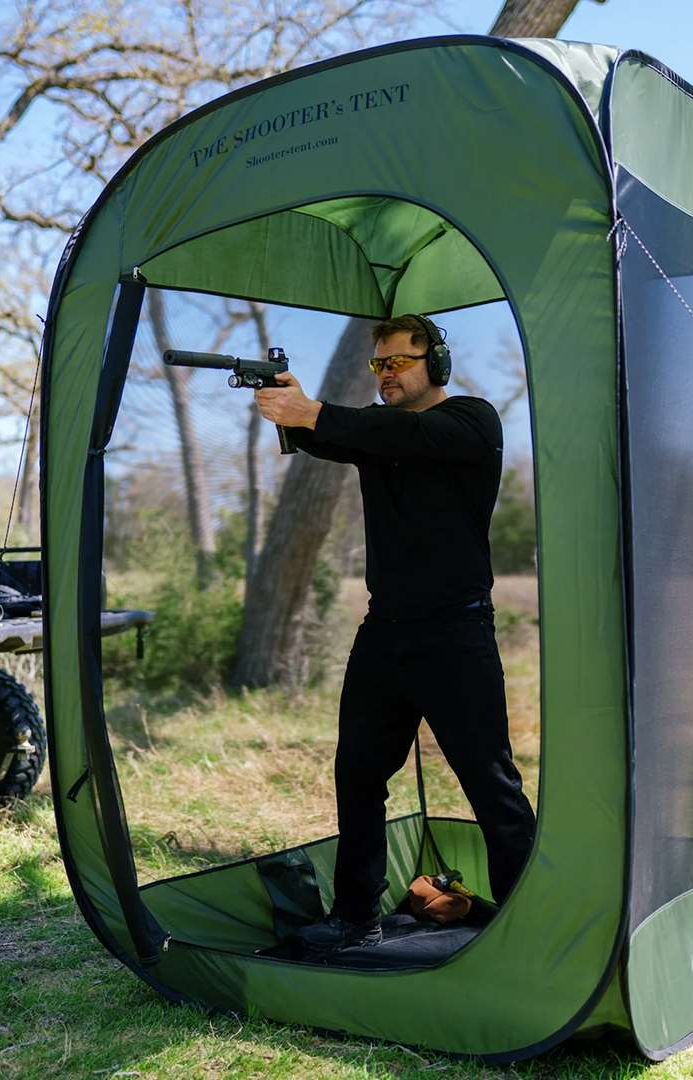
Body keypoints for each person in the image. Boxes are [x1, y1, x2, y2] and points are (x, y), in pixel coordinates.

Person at [253, 313, 535, 952]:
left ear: (435, 363)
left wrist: (312, 410)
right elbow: (339, 435)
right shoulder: (380, 435)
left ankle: (526, 926)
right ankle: (356, 919)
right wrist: (288, 407)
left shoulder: (470, 421)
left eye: (398, 362)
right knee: (357, 773)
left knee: (491, 784)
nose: (385, 374)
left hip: (456, 633)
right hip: (386, 633)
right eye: (377, 364)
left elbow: (384, 431)